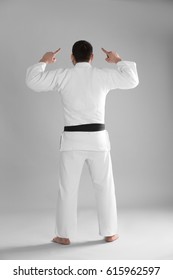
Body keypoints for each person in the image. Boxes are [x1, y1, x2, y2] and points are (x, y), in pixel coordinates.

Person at [26, 40, 139, 245]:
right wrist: (117, 60)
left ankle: (63, 235)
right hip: (98, 141)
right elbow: (132, 80)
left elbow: (33, 81)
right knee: (105, 187)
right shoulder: (102, 75)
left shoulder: (63, 75)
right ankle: (110, 232)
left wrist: (44, 60)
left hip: (72, 142)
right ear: (93, 57)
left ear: (72, 57)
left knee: (67, 189)